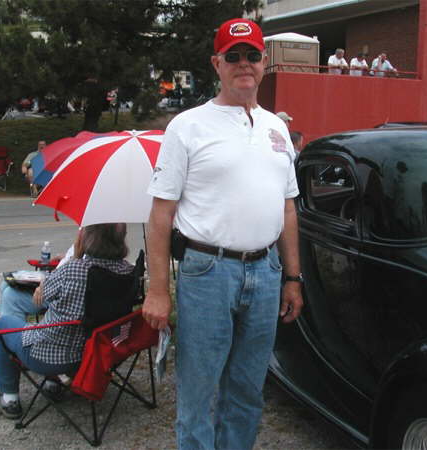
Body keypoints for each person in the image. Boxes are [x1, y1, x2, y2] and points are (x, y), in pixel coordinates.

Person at [142, 18, 303, 450]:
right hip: (207, 273)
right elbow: (160, 214)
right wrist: (158, 290)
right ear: (217, 63)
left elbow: (287, 207)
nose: (243, 64)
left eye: (251, 55)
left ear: (263, 62)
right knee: (197, 395)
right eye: (233, 56)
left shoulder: (277, 127)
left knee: (247, 392)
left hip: (267, 273)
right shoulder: (188, 126)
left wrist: (292, 276)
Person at [0, 224, 132, 420]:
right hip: (97, 356)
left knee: (3, 325)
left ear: (87, 238)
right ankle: (53, 384)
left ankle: (9, 398)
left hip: (48, 357)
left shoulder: (73, 270)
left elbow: (41, 297)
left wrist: (76, 255)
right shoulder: (128, 272)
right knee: (64, 323)